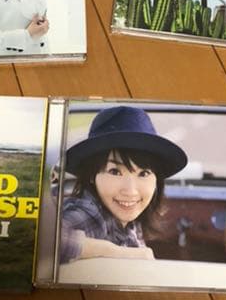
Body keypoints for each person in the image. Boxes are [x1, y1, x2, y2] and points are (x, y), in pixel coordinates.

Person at [59, 106, 187, 264]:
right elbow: (44, 240)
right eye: (115, 172)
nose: (130, 191)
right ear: (92, 174)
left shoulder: (129, 222)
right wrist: (112, 251)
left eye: (143, 173)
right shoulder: (90, 214)